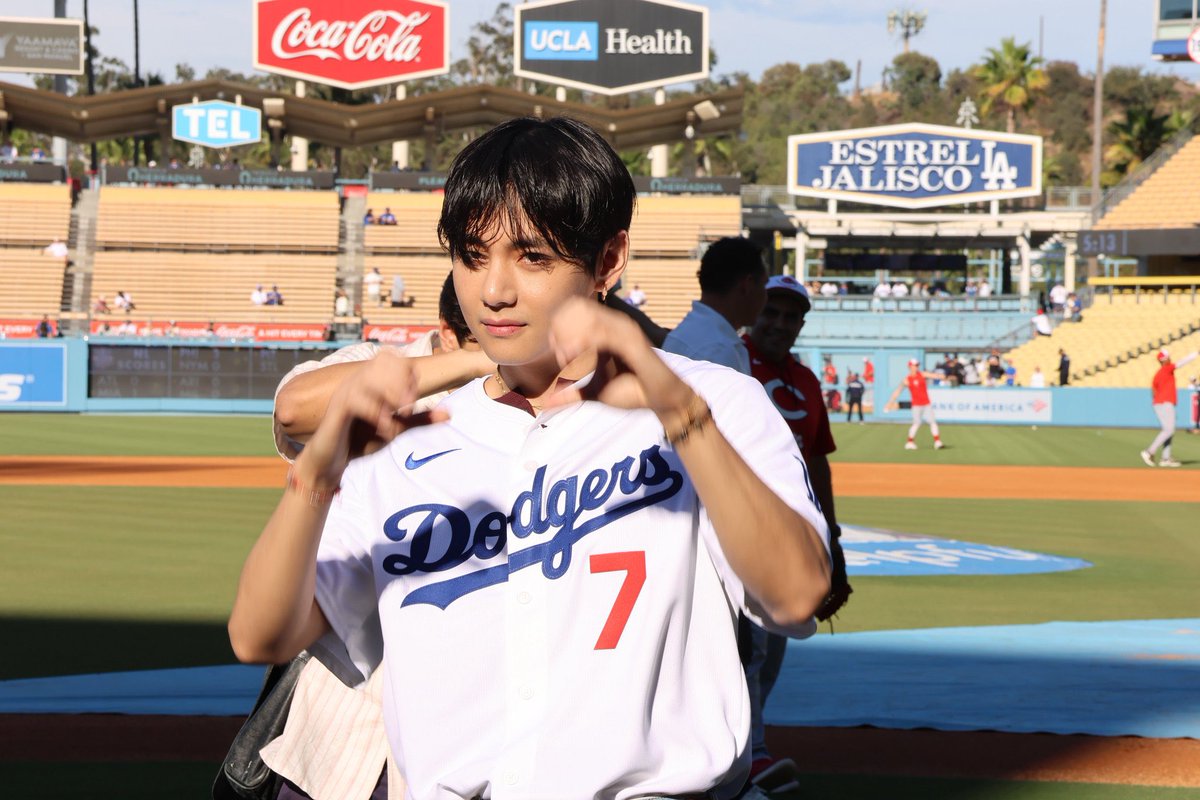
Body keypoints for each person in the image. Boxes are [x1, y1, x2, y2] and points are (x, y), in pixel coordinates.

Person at [228, 116, 831, 800]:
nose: (494, 289)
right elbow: (263, 636)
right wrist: (314, 479)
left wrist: (684, 418)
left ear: (608, 261)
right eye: (472, 255)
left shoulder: (714, 401)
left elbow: (795, 595)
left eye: (533, 257)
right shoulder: (410, 432)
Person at [740, 273, 850, 789]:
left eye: (791, 317)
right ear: (754, 310)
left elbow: (819, 463)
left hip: (793, 535)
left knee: (775, 645)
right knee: (745, 647)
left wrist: (834, 544)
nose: (780, 324)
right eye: (772, 312)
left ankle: (749, 746)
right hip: (741, 528)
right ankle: (748, 754)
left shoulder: (804, 379)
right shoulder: (732, 363)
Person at [662, 235, 768, 373]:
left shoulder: (693, 333)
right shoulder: (719, 350)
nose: (766, 296)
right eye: (764, 285)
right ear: (747, 285)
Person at [1141, 348, 1198, 468]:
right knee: (1169, 430)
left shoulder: (1158, 374)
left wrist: (1159, 400)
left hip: (1159, 403)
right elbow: (1181, 362)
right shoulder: (1167, 368)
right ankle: (1149, 451)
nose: (1169, 358)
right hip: (1165, 403)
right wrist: (1196, 353)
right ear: (1163, 359)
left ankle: (1165, 458)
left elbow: (1153, 390)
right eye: (1167, 357)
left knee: (1168, 430)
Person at [884, 359, 945, 450]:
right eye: (914, 365)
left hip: (926, 403)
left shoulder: (922, 374)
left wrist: (940, 376)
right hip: (916, 405)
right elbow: (897, 391)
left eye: (917, 365)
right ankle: (909, 442)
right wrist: (890, 403)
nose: (916, 367)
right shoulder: (907, 379)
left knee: (932, 422)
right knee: (916, 423)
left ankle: (937, 441)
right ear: (910, 366)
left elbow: (933, 375)